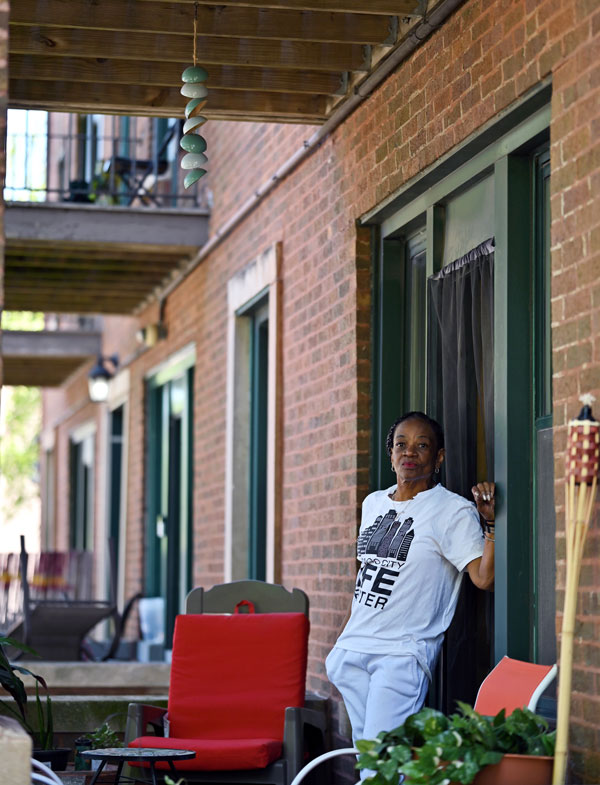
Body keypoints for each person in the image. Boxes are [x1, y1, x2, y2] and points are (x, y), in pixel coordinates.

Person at [326, 411, 495, 755]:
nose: (410, 452)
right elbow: (366, 575)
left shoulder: (452, 511)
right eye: (401, 444)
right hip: (351, 652)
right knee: (369, 758)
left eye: (422, 446)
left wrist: (491, 526)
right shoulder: (373, 503)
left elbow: (484, 578)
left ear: (439, 457)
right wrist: (342, 638)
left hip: (400, 654)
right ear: (390, 454)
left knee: (383, 761)